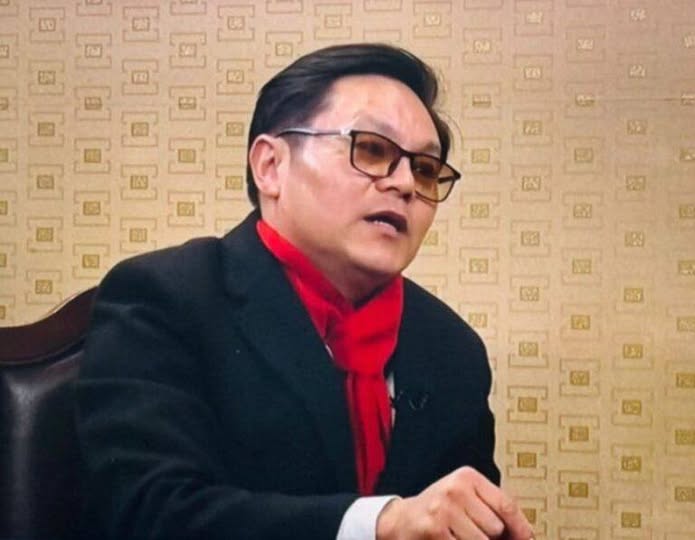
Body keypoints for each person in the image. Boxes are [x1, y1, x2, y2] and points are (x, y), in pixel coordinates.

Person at [76, 43, 534, 540]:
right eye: (373, 149)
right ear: (270, 166)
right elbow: (149, 513)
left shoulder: (451, 348)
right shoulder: (165, 297)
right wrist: (377, 525)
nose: (405, 183)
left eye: (425, 169)